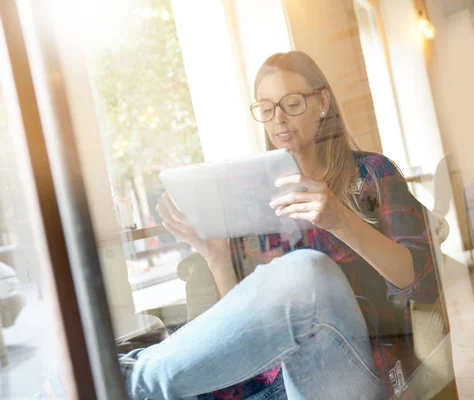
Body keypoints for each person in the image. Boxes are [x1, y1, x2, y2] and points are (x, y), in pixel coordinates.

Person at [39, 51, 440, 400]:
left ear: (322, 102)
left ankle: (125, 379)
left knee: (306, 271)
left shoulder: (371, 174)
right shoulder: (258, 198)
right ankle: (125, 381)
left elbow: (422, 280)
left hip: (353, 372)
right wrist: (215, 257)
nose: (278, 119)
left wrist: (339, 220)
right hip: (269, 387)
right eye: (266, 109)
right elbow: (253, 328)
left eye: (292, 102)